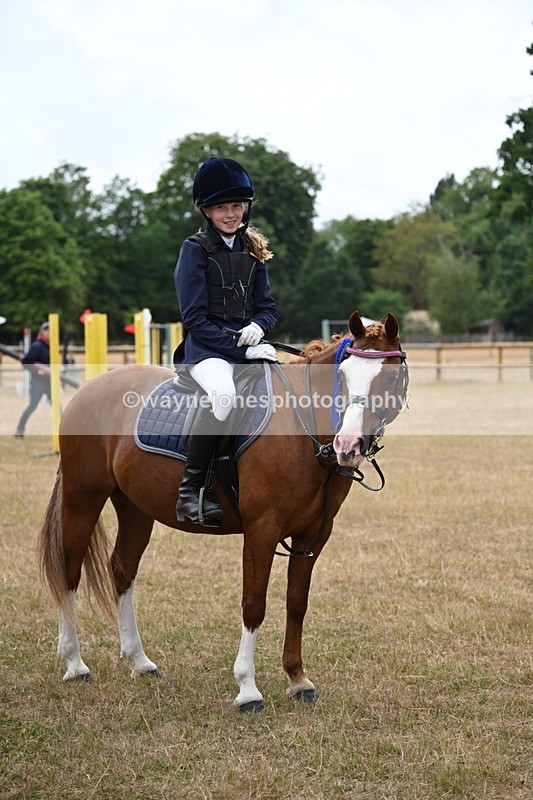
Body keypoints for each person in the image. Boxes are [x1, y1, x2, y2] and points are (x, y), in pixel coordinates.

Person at [173, 157, 278, 526]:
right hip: (206, 352)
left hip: (247, 347)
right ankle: (191, 490)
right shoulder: (195, 249)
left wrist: (259, 329)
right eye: (222, 208)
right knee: (224, 397)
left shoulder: (251, 249)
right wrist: (240, 348)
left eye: (237, 206)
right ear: (207, 210)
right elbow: (194, 320)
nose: (231, 214)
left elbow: (267, 307)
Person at [15, 322, 51, 437]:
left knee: (57, 406)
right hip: (38, 382)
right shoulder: (37, 346)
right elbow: (26, 362)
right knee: (32, 406)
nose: (50, 333)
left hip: (49, 381)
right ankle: (20, 429)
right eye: (47, 330)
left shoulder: (50, 346)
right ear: (42, 332)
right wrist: (37, 371)